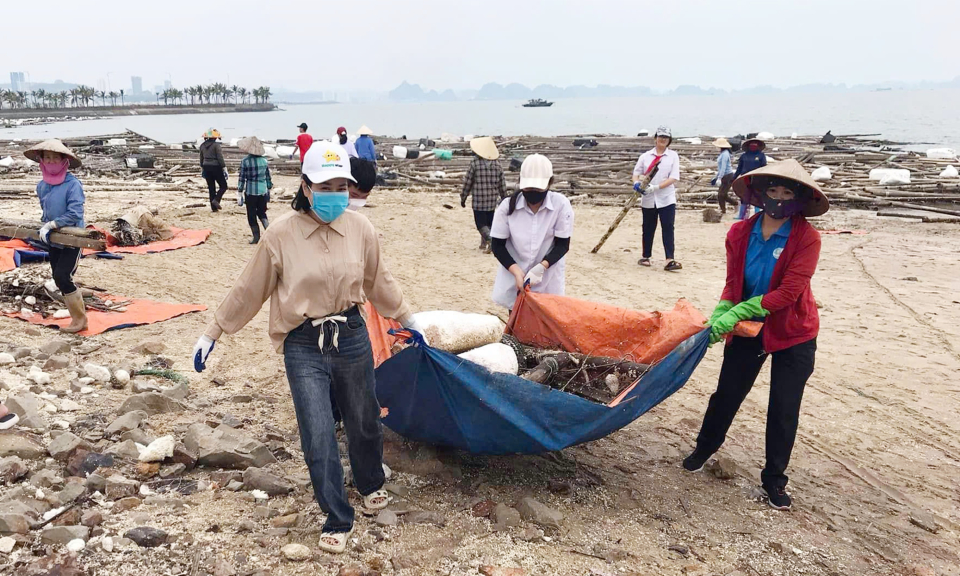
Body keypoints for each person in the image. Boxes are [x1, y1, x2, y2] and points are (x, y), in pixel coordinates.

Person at [192, 141, 427, 554]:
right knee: (317, 431)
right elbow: (251, 288)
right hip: (303, 343)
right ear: (305, 185)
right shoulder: (281, 234)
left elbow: (378, 281)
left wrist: (409, 320)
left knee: (365, 419)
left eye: (342, 186)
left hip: (352, 335)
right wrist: (213, 331)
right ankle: (337, 516)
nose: (335, 193)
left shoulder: (361, 229)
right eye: (325, 185)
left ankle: (370, 481)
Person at [683, 159, 829, 511]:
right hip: (748, 330)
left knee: (783, 405)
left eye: (787, 192)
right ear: (760, 194)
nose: (778, 198)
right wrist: (723, 309)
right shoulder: (738, 233)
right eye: (773, 190)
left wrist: (741, 309)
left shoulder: (806, 237)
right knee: (728, 393)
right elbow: (734, 283)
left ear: (799, 198)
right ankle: (704, 448)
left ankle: (774, 479)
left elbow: (789, 294)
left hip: (794, 330)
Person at [489, 154, 573, 310]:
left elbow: (562, 244)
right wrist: (515, 270)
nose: (533, 192)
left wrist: (541, 267)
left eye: (538, 188)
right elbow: (497, 245)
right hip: (514, 278)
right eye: (529, 188)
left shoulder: (561, 205)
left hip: (548, 278)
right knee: (517, 324)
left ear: (550, 182)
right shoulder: (507, 207)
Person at [25, 139, 87, 333]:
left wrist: (53, 224)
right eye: (47, 158)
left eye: (55, 158)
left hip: (71, 237)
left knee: (63, 276)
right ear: (41, 161)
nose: (51, 162)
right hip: (53, 238)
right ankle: (75, 308)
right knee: (58, 275)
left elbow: (75, 213)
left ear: (64, 161)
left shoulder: (73, 184)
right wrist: (45, 224)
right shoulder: (42, 186)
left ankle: (80, 320)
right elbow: (46, 210)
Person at [632, 126, 682, 271]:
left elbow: (674, 177)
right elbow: (636, 172)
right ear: (655, 138)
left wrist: (656, 187)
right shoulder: (646, 156)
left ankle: (669, 259)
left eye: (666, 138)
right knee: (648, 227)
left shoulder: (673, 156)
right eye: (660, 137)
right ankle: (646, 256)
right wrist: (636, 183)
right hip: (648, 198)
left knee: (668, 227)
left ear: (669, 140)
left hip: (666, 197)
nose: (663, 140)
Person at [460, 137, 506, 250]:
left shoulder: (475, 163)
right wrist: (504, 198)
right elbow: (502, 185)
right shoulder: (498, 165)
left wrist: (463, 197)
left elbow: (468, 182)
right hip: (491, 200)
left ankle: (489, 240)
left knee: (480, 224)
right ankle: (483, 244)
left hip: (478, 201)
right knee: (489, 223)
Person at [236, 136, 273, 244]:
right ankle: (269, 233)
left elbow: (242, 178)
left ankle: (256, 237)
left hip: (251, 191)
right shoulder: (264, 161)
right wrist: (269, 187)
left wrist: (239, 191)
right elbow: (268, 177)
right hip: (262, 190)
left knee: (251, 214)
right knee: (262, 213)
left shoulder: (245, 161)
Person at [733, 137, 768, 219]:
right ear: (748, 146)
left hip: (757, 179)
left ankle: (757, 215)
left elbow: (764, 167)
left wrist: (765, 178)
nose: (753, 145)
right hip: (745, 179)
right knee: (745, 196)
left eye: (755, 144)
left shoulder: (761, 156)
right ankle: (742, 216)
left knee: (758, 196)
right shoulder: (744, 156)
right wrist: (734, 177)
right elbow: (739, 168)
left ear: (758, 145)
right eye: (752, 144)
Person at [199, 128, 227, 212]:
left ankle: (213, 208)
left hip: (206, 167)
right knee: (223, 186)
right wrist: (224, 167)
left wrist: (202, 167)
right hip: (216, 167)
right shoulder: (216, 146)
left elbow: (201, 158)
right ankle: (216, 200)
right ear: (215, 138)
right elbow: (220, 157)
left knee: (211, 188)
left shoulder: (202, 145)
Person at [712, 138, 737, 214]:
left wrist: (719, 177)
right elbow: (720, 167)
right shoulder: (723, 153)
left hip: (727, 176)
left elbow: (723, 167)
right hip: (724, 175)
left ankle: (735, 204)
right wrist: (716, 176)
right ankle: (723, 210)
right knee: (722, 194)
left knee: (721, 194)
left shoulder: (725, 154)